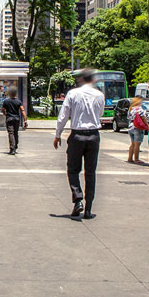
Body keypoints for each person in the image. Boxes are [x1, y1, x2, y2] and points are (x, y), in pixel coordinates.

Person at [53, 69, 105, 220]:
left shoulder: (73, 94)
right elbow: (99, 114)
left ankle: (78, 199)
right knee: (90, 172)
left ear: (82, 79)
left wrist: (58, 134)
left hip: (77, 135)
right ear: (93, 80)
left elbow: (63, 115)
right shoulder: (100, 95)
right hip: (94, 135)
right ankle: (88, 208)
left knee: (73, 169)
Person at [1, 88, 27, 155]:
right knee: (15, 133)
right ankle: (15, 146)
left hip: (9, 119)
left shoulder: (6, 101)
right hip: (17, 119)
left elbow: (3, 110)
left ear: (9, 94)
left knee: (11, 133)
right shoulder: (19, 102)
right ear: (15, 94)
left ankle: (12, 149)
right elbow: (22, 110)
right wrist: (25, 120)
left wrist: (5, 114)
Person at [127, 96, 149, 164]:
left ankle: (130, 158)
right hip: (137, 128)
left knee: (132, 144)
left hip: (131, 127)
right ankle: (136, 159)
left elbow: (128, 118)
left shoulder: (130, 109)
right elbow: (143, 118)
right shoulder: (139, 109)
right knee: (137, 144)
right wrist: (148, 125)